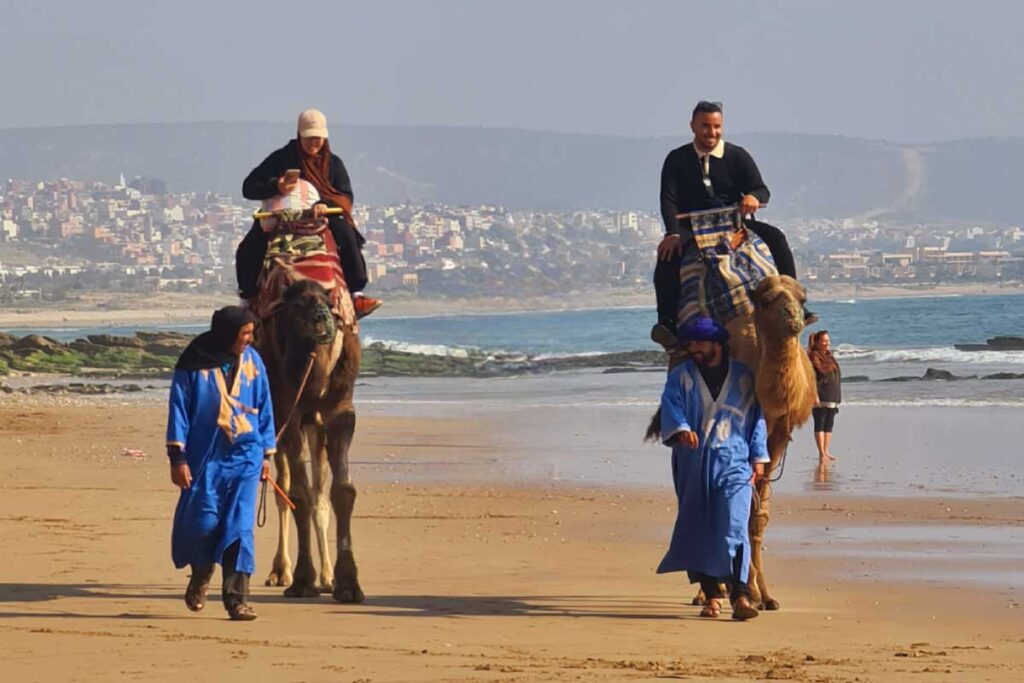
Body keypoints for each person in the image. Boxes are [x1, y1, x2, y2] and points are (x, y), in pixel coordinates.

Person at [652, 100, 812, 348]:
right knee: (666, 258)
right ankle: (667, 323)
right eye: (705, 126)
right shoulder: (676, 159)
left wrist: (753, 197)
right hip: (692, 227)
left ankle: (795, 302)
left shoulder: (737, 155)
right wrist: (672, 233)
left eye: (717, 126)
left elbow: (761, 189)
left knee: (777, 238)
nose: (712, 132)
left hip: (734, 222)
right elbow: (668, 199)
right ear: (693, 125)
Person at [167, 306, 277, 621]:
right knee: (202, 523)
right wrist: (178, 458)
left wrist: (267, 455)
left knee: (240, 527)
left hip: (246, 457)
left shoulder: (254, 361)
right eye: (244, 334)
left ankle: (237, 599)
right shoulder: (192, 364)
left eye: (251, 334)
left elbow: (265, 405)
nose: (249, 340)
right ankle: (201, 573)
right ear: (228, 333)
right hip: (205, 458)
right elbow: (179, 409)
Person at [657, 316, 768, 621]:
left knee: (734, 524)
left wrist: (759, 455)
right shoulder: (681, 377)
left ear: (716, 343)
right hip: (693, 463)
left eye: (699, 342)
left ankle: (741, 595)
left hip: (735, 462)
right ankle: (711, 594)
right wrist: (680, 429)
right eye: (690, 343)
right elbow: (671, 404)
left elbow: (757, 417)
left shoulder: (744, 377)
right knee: (699, 526)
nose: (693, 348)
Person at [237, 109, 381, 318]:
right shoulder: (281, 158)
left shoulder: (333, 163)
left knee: (347, 235)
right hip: (281, 215)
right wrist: (277, 185)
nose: (314, 144)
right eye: (309, 139)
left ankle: (356, 294)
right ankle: (247, 298)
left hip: (322, 215)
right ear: (299, 135)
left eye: (318, 139)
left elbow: (346, 196)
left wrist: (324, 203)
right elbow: (248, 187)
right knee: (248, 248)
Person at [809, 330, 842, 467]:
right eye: (824, 341)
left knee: (829, 425)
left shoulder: (829, 356)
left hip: (832, 394)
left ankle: (826, 451)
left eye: (828, 340)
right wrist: (814, 394)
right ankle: (821, 452)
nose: (827, 343)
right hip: (820, 394)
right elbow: (811, 377)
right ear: (817, 342)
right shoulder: (813, 356)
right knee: (820, 424)